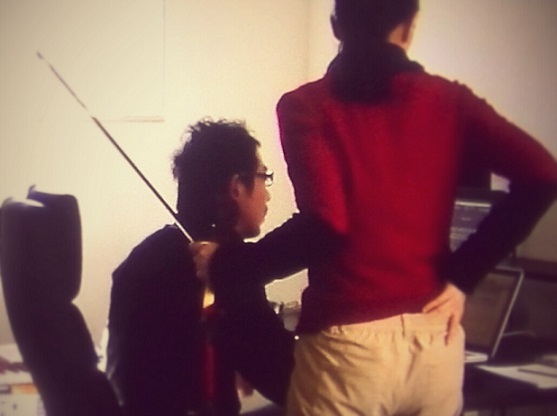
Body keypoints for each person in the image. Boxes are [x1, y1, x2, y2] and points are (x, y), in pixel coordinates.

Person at [191, 1, 557, 415]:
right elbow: (543, 175)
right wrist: (462, 277)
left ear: (336, 26)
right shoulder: (448, 101)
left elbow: (328, 224)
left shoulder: (306, 106)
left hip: (348, 351)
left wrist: (229, 264)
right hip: (434, 343)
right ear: (409, 26)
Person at [105, 119, 294, 416]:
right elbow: (285, 380)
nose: (267, 193)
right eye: (263, 177)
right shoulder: (221, 268)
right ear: (236, 187)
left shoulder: (144, 256)